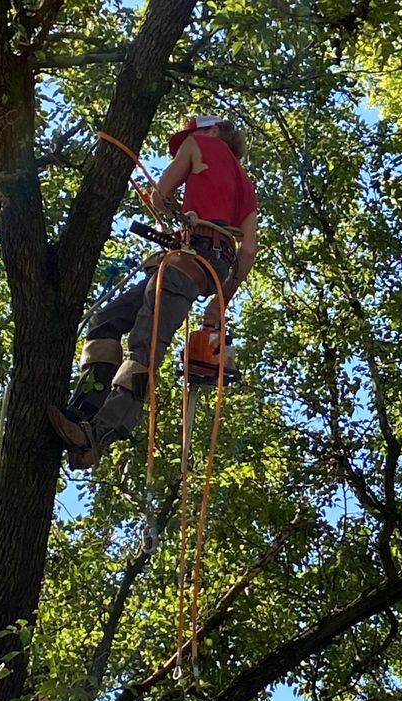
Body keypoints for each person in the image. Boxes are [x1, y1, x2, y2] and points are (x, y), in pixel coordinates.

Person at [49, 114, 258, 469]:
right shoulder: (247, 187)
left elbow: (161, 196)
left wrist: (171, 208)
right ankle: (82, 411)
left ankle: (98, 434)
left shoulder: (201, 143)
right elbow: (248, 250)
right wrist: (220, 301)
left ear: (213, 131)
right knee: (107, 320)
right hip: (203, 266)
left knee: (144, 346)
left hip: (187, 260)